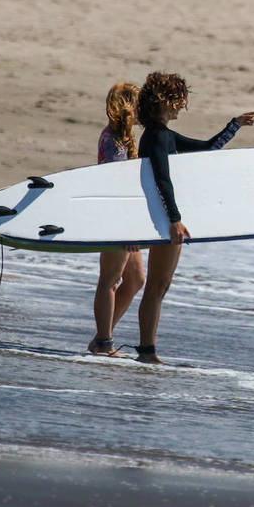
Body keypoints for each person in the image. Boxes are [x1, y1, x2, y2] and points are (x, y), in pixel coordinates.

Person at [134, 72, 254, 364]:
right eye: (179, 101)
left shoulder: (162, 135)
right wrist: (174, 219)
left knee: (160, 285)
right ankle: (146, 351)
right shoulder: (155, 137)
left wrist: (234, 126)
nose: (182, 107)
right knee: (156, 285)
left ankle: (146, 349)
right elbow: (161, 180)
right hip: (163, 218)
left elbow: (207, 150)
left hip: (163, 216)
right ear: (165, 101)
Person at [88, 82, 146, 357]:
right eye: (139, 104)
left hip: (123, 219)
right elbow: (115, 187)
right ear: (127, 107)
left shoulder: (124, 137)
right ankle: (104, 342)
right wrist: (127, 227)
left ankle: (101, 338)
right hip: (114, 219)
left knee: (135, 279)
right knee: (109, 280)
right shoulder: (112, 139)